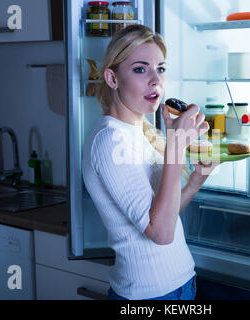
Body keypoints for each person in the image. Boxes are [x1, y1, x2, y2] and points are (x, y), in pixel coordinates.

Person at [82, 24, 219, 300]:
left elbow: (161, 214)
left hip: (179, 286)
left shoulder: (138, 131)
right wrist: (176, 147)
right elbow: (160, 232)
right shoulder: (110, 142)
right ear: (112, 78)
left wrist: (194, 183)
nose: (156, 80)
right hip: (150, 296)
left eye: (161, 69)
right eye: (141, 69)